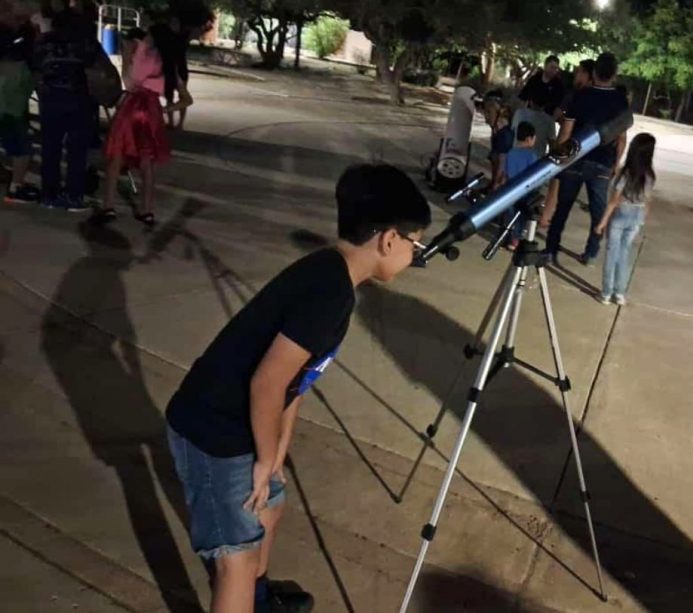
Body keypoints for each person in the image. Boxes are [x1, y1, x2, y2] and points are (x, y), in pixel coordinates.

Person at [165, 164, 431, 613]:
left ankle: (262, 599)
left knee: (270, 505)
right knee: (236, 557)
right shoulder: (329, 293)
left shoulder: (332, 275)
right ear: (389, 240)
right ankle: (247, 591)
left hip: (242, 421)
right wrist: (265, 455)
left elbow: (295, 378)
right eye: (415, 243)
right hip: (213, 431)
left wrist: (278, 447)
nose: (415, 253)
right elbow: (267, 382)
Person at [95, 26, 191, 227]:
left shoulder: (144, 54)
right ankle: (146, 210)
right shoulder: (169, 64)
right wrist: (164, 111)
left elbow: (130, 84)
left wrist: (126, 56)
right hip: (153, 110)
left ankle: (108, 206)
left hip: (132, 107)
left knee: (116, 157)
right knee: (147, 163)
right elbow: (186, 100)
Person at [545, 52, 629, 266]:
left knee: (562, 208)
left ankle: (550, 250)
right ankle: (591, 253)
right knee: (598, 212)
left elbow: (566, 131)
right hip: (602, 162)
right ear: (615, 74)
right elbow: (621, 138)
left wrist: (558, 157)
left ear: (594, 72)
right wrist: (616, 164)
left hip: (575, 158)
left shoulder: (581, 96)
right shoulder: (620, 100)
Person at [32, 6, 101, 212]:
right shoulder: (85, 42)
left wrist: (42, 90)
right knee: (76, 150)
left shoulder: (43, 42)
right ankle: (73, 195)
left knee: (50, 148)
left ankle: (49, 194)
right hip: (78, 100)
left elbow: (35, 69)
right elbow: (95, 69)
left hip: (51, 99)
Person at [594, 133, 656, 305]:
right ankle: (619, 293)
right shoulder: (650, 175)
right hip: (637, 215)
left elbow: (614, 200)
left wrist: (602, 222)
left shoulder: (625, 173)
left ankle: (606, 293)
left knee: (612, 253)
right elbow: (647, 200)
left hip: (621, 214)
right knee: (624, 254)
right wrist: (643, 220)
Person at [541, 58, 596, 227]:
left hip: (568, 147)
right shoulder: (596, 97)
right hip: (588, 148)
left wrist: (557, 148)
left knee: (556, 183)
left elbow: (561, 120)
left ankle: (546, 217)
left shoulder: (575, 95)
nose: (575, 75)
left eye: (579, 71)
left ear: (587, 75)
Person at [0, 16, 40, 204]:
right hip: (13, 111)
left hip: (6, 109)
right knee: (22, 150)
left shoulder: (5, 63)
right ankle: (16, 187)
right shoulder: (23, 67)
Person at [503, 121, 540, 249]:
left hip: (511, 188)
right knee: (521, 216)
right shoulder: (532, 155)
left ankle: (507, 237)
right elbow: (534, 175)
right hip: (525, 191)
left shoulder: (511, 153)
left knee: (510, 214)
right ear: (529, 139)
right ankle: (515, 240)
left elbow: (506, 173)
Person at [482, 92, 514, 190]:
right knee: (493, 156)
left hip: (504, 180)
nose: (486, 117)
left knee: (499, 158)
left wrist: (496, 185)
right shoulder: (497, 130)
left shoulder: (504, 134)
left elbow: (502, 161)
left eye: (489, 112)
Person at [512, 95, 556, 160]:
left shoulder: (519, 113)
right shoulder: (549, 120)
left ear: (530, 101)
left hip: (515, 157)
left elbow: (513, 131)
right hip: (537, 162)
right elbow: (552, 144)